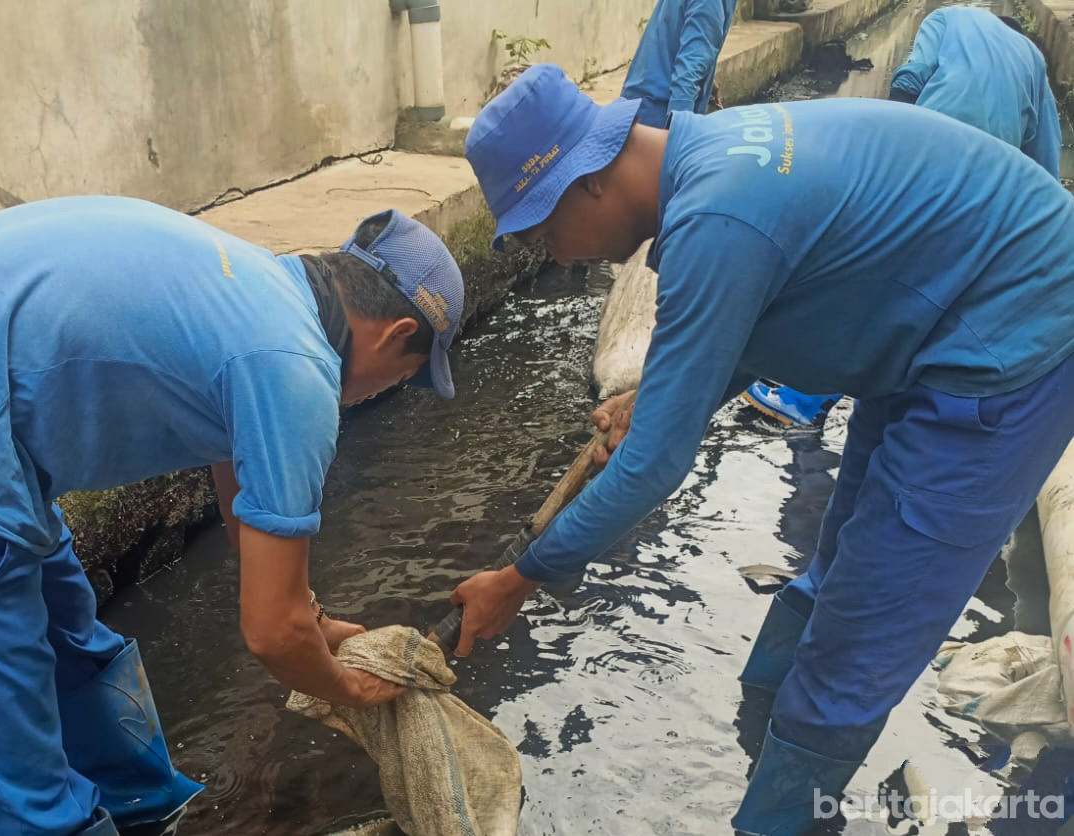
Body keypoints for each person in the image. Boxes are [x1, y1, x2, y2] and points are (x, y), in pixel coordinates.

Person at [454, 63, 1074, 834]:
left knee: (865, 634)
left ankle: (775, 816)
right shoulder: (709, 168)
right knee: (840, 561)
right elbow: (748, 327)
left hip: (1009, 343)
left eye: (543, 231)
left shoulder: (717, 219)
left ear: (589, 181)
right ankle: (759, 726)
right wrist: (660, 397)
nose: (558, 254)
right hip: (926, 323)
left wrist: (522, 575)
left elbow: (653, 468)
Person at [0, 197, 464, 836]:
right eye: (405, 376)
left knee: (70, 639)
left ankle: (147, 814)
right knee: (8, 738)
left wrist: (316, 622)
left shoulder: (269, 289)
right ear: (396, 334)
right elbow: (271, 632)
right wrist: (346, 689)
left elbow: (246, 506)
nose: (388, 391)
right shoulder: (298, 376)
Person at [743, 6, 1063, 427]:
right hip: (987, 180)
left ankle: (805, 395)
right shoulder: (1032, 59)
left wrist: (890, 149)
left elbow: (910, 78)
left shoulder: (947, 17)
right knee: (935, 285)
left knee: (876, 272)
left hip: (926, 154)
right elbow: (1045, 160)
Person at [622, 0, 738, 130]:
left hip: (636, 108)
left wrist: (708, 83)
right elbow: (688, 76)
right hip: (658, 117)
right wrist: (677, 134)